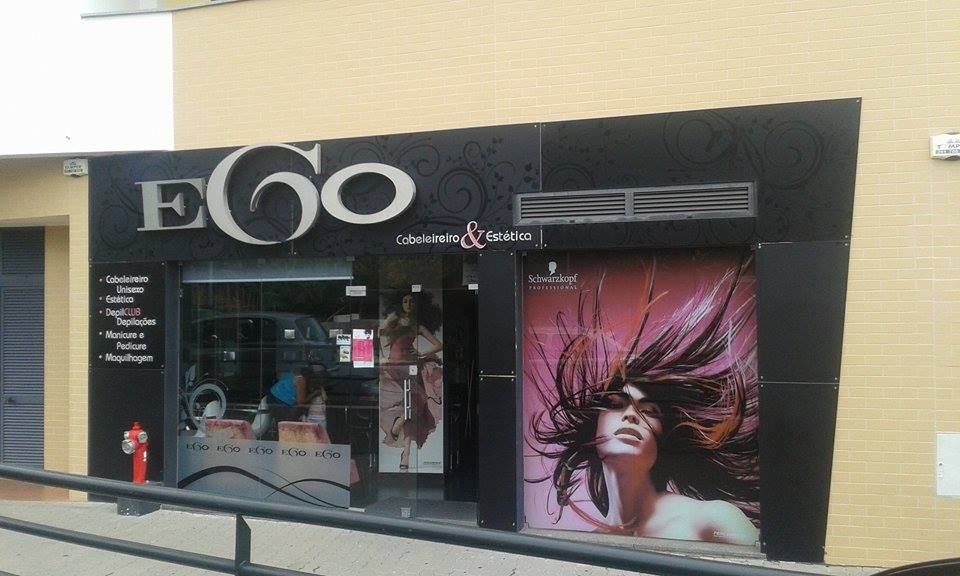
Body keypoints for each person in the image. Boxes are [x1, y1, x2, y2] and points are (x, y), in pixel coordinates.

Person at [527, 257, 759, 546]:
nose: (631, 415)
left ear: (662, 438)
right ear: (593, 429)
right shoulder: (592, 540)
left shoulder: (713, 519)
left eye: (649, 411)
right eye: (615, 404)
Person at [378, 291, 443, 471]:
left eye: (411, 301)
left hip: (410, 367)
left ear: (415, 305)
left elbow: (439, 345)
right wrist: (381, 357)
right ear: (400, 304)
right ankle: (400, 431)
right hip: (393, 369)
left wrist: (422, 354)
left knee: (414, 407)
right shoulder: (394, 322)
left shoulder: (418, 327)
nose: (408, 304)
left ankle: (405, 452)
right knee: (407, 406)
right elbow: (377, 332)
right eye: (405, 301)